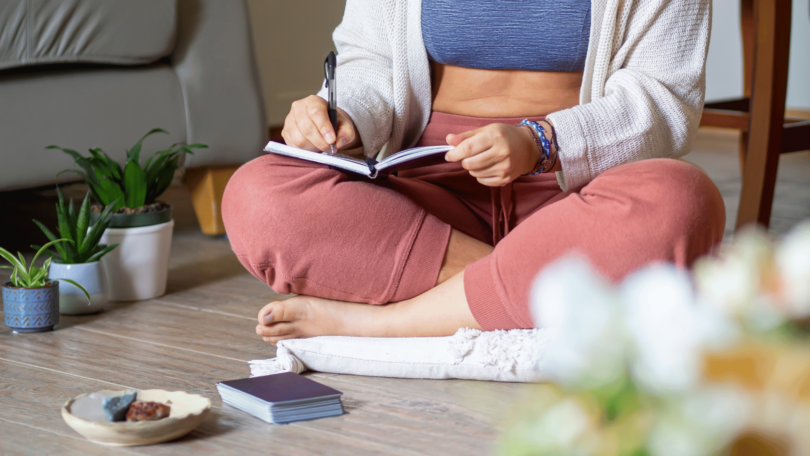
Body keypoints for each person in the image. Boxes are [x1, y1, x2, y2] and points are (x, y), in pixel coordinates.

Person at [222, 0, 724, 345]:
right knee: (255, 197)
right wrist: (343, 116)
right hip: (429, 191)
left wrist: (544, 142)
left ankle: (388, 324)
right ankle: (536, 290)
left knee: (682, 199)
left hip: (576, 188)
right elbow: (369, 61)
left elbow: (665, 98)